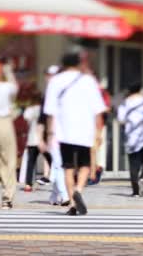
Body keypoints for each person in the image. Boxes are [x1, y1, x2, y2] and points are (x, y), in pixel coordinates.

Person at [44, 53, 106, 216]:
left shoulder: (55, 81)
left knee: (68, 167)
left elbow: (50, 110)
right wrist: (99, 131)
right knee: (85, 164)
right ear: (79, 64)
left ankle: (72, 203)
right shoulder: (88, 80)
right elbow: (98, 109)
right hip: (85, 130)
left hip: (64, 131)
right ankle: (78, 189)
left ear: (63, 64)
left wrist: (50, 133)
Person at [38, 65, 70, 206]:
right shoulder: (48, 95)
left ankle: (54, 195)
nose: (50, 78)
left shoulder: (68, 92)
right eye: (48, 75)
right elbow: (42, 118)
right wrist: (41, 137)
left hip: (67, 134)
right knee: (58, 164)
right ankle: (64, 195)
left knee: (59, 165)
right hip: (53, 135)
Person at [117, 82, 143, 197]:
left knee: (133, 164)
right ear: (140, 89)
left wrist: (129, 122)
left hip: (131, 136)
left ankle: (135, 191)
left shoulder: (125, 102)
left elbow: (121, 120)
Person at [0, 61, 18, 210]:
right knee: (9, 160)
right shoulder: (5, 87)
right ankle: (7, 198)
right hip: (5, 123)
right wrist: (8, 71)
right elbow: (15, 88)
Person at [22, 96, 52, 192]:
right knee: (51, 160)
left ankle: (28, 184)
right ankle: (57, 178)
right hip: (43, 139)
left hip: (32, 140)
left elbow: (25, 118)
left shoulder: (30, 110)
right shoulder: (44, 108)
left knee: (30, 163)